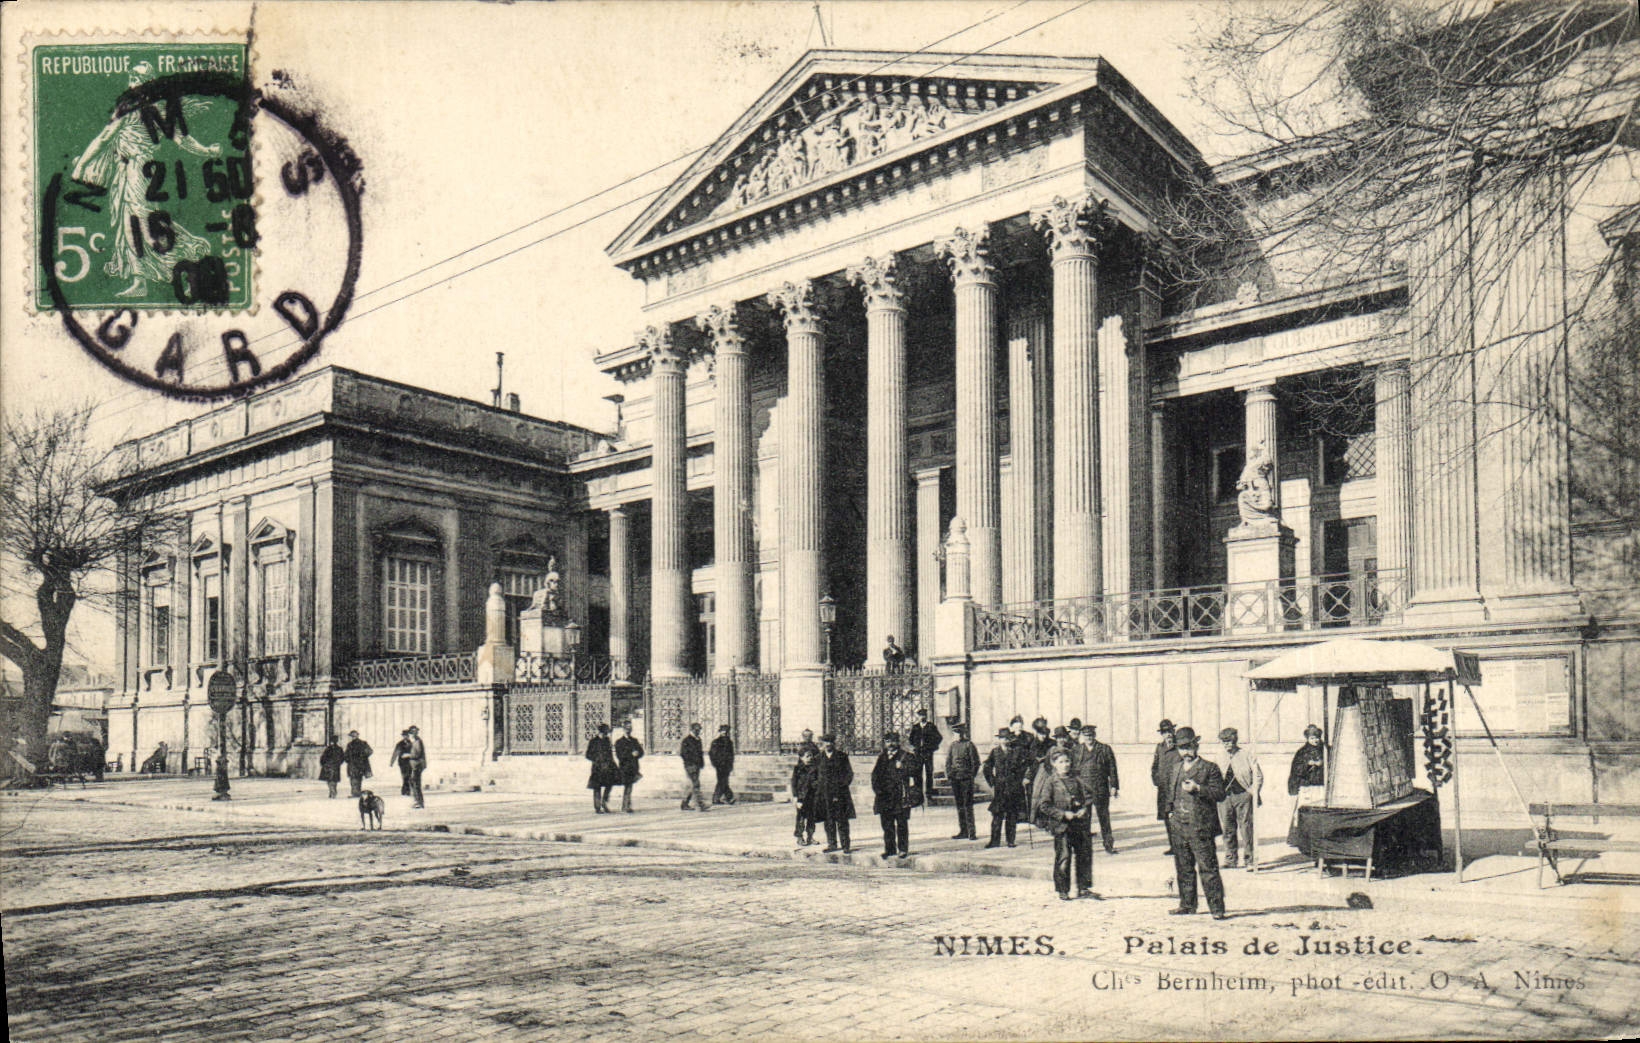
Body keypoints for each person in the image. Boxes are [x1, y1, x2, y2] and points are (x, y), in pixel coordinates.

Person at [1163, 727, 1228, 920]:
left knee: (1208, 869)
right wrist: (1170, 814)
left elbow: (1220, 794)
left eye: (1188, 747)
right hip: (1179, 827)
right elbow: (1170, 794)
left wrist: (1198, 788)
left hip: (1200, 828)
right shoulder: (1175, 768)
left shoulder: (1209, 768)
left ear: (1196, 746)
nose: (1186, 752)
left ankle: (1217, 908)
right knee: (1183, 868)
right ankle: (1187, 904)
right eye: (1182, 748)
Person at [1032, 747, 1096, 901]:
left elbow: (1088, 797)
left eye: (1067, 761)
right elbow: (1044, 805)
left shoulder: (1077, 780)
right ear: (1054, 764)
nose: (1065, 764)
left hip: (1079, 825)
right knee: (1064, 857)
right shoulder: (1051, 782)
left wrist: (1084, 809)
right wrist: (1062, 814)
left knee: (1084, 855)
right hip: (1062, 827)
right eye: (1061, 762)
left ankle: (1084, 888)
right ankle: (1063, 890)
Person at [1217, 727, 1263, 869]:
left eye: (1229, 741)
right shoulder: (1219, 756)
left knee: (1246, 829)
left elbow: (1258, 775)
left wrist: (1252, 791)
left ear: (1235, 741)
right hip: (1225, 798)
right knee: (1227, 829)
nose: (1227, 744)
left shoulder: (1246, 754)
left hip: (1243, 796)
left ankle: (1250, 860)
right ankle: (1230, 859)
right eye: (1224, 742)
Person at [871, 731, 922, 859]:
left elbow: (915, 771)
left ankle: (903, 849)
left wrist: (903, 767)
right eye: (888, 741)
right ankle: (890, 849)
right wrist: (877, 791)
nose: (890, 744)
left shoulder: (906, 756)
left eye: (893, 741)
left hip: (900, 796)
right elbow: (875, 775)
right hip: (884, 797)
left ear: (898, 742)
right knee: (887, 825)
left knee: (901, 824)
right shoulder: (882, 757)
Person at [1074, 725, 1121, 854]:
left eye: (1090, 735)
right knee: (1084, 819)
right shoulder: (1077, 750)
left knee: (1104, 818)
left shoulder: (1104, 749)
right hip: (1084, 790)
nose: (1088, 738)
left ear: (1094, 735)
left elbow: (1112, 768)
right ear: (1082, 736)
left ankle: (1108, 844)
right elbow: (1073, 771)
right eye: (1086, 736)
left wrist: (1114, 786)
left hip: (1100, 788)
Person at [982, 727, 1030, 848]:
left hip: (1013, 788)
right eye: (1002, 738)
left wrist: (1022, 778)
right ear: (999, 739)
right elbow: (987, 766)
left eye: (1007, 738)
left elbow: (1025, 766)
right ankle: (994, 841)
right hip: (1000, 788)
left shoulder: (1016, 751)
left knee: (1012, 815)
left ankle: (1010, 840)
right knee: (997, 815)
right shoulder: (995, 752)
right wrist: (992, 781)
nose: (1005, 740)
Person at [815, 733, 855, 853]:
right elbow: (814, 775)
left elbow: (849, 774)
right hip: (824, 794)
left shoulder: (842, 756)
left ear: (834, 743)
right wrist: (818, 787)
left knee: (842, 820)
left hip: (840, 794)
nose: (828, 745)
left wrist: (841, 787)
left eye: (830, 742)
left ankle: (845, 845)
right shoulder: (818, 758)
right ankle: (832, 844)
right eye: (825, 742)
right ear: (822, 744)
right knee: (828, 820)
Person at [944, 723, 981, 840]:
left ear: (963, 733)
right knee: (959, 805)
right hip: (955, 779)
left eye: (959, 733)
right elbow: (948, 762)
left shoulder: (969, 745)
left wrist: (971, 775)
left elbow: (976, 762)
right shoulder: (952, 746)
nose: (958, 735)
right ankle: (963, 831)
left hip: (966, 779)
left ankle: (971, 832)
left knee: (968, 805)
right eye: (955, 733)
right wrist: (950, 775)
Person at [1151, 719, 1180, 854]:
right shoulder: (1159, 747)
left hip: (1177, 789)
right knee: (1167, 818)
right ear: (1162, 734)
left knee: (1178, 818)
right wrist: (1157, 780)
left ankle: (1182, 847)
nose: (1168, 734)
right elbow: (1154, 766)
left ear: (1173, 731)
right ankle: (1173, 846)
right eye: (1165, 732)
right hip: (1163, 790)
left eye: (1169, 731)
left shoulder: (1180, 746)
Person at [908, 707, 942, 799]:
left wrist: (932, 747)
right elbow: (910, 739)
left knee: (929, 772)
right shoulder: (915, 727)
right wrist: (916, 746)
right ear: (918, 717)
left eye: (924, 715)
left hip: (928, 753)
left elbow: (939, 737)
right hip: (918, 753)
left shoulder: (931, 726)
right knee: (917, 772)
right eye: (920, 715)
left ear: (926, 716)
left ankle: (929, 792)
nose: (922, 717)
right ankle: (918, 793)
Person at [585, 723, 619, 813]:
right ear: (601, 732)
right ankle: (597, 807)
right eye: (605, 732)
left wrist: (613, 764)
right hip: (597, 767)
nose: (606, 734)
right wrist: (596, 759)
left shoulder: (607, 740)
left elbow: (610, 754)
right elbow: (588, 755)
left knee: (610, 784)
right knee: (597, 787)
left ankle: (604, 802)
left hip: (608, 766)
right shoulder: (593, 741)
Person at [790, 746, 819, 845]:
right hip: (801, 797)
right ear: (801, 757)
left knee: (812, 818)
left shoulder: (815, 768)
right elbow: (794, 783)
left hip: (812, 796)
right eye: (807, 756)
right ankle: (800, 837)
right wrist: (795, 797)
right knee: (801, 818)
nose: (810, 758)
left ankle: (810, 837)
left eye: (811, 755)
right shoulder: (798, 769)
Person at [1288, 724, 1326, 796]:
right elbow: (1296, 769)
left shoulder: (1325, 749)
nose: (1315, 740)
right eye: (1312, 738)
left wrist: (1323, 763)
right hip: (1306, 784)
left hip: (1322, 783)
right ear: (1308, 739)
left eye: (1317, 738)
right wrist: (1308, 764)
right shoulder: (1302, 752)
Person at [614, 721, 644, 813]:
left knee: (629, 786)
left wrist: (638, 753)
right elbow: (619, 755)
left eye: (630, 728)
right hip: (625, 767)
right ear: (623, 729)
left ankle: (626, 805)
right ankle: (625, 806)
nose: (628, 729)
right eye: (627, 727)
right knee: (628, 786)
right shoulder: (619, 742)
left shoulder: (634, 740)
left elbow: (641, 752)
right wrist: (631, 754)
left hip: (633, 767)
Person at [678, 722, 708, 812]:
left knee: (691, 785)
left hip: (697, 765)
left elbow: (700, 753)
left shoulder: (698, 739)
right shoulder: (687, 740)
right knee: (695, 784)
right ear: (692, 730)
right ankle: (700, 804)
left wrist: (701, 763)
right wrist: (690, 762)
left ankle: (684, 803)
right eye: (696, 730)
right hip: (690, 765)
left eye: (699, 730)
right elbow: (683, 753)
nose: (698, 732)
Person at [709, 724, 737, 805]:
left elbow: (731, 755)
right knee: (723, 781)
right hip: (720, 765)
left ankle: (720, 798)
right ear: (720, 732)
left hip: (726, 765)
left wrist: (731, 765)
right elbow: (712, 754)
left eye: (726, 732)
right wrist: (715, 763)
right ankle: (728, 797)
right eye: (723, 732)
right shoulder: (716, 742)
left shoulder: (729, 742)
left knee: (723, 781)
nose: (725, 733)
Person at [401, 725, 427, 808]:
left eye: (412, 733)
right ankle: (418, 801)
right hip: (415, 765)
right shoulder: (415, 741)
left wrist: (408, 755)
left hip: (417, 765)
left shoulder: (417, 742)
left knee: (415, 783)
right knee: (414, 783)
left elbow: (417, 754)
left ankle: (418, 802)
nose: (411, 735)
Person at [343, 731, 373, 798]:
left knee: (354, 779)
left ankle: (355, 793)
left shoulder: (359, 744)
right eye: (352, 736)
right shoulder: (353, 744)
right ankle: (356, 793)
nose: (353, 737)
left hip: (355, 765)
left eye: (354, 736)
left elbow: (370, 751)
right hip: (358, 764)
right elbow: (346, 754)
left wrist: (362, 756)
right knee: (357, 779)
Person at [389, 730, 415, 796]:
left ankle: (406, 790)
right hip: (402, 763)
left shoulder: (412, 743)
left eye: (407, 735)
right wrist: (392, 762)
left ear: (408, 736)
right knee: (404, 776)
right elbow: (395, 753)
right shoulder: (399, 744)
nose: (405, 737)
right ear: (403, 736)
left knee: (408, 776)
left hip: (410, 762)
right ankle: (405, 790)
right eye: (404, 735)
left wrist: (409, 755)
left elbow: (415, 752)